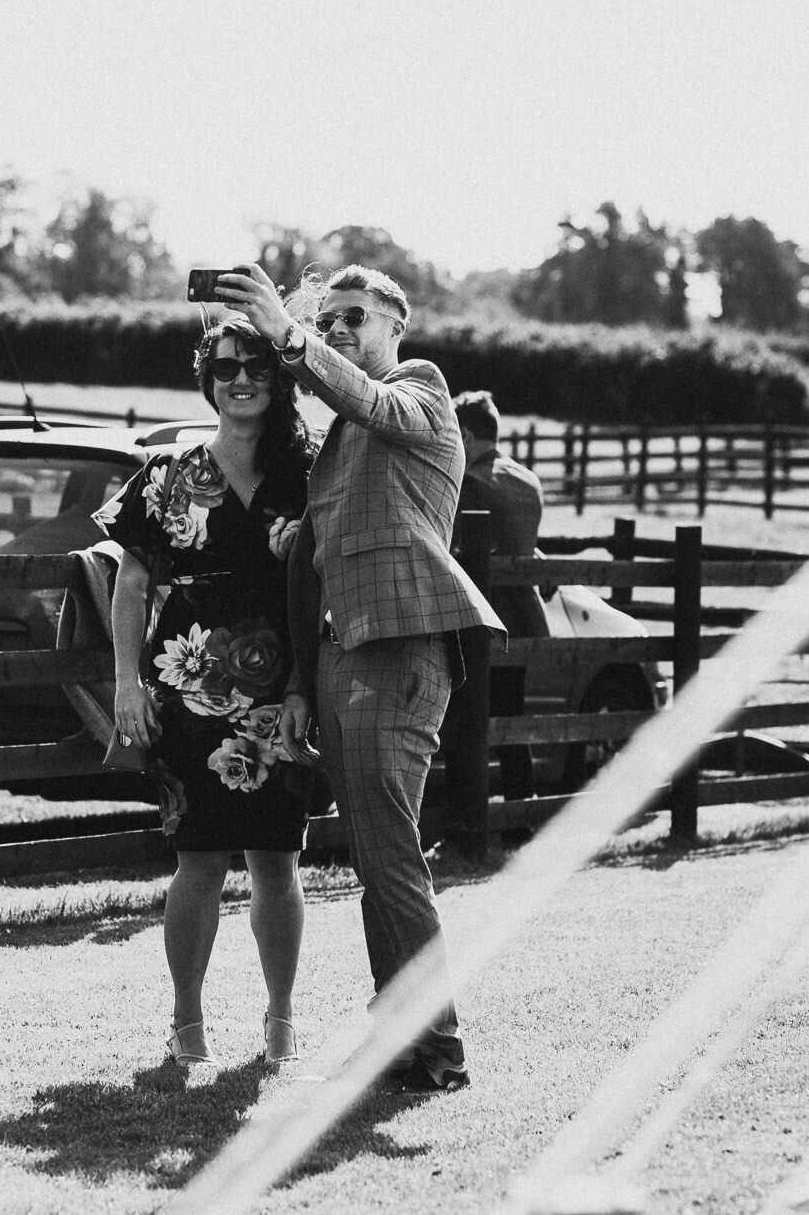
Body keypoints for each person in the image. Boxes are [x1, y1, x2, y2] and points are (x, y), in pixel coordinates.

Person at [219, 263, 504, 1093]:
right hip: (342, 656)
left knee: (391, 855)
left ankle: (437, 1041)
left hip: (403, 649)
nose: (340, 328)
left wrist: (289, 332)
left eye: (354, 316)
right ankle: (401, 1031)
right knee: (378, 855)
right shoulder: (341, 439)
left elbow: (369, 400)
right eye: (330, 317)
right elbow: (320, 553)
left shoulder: (421, 390)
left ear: (394, 324)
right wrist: (304, 676)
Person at [95, 319, 317, 1067]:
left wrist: (301, 685)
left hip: (284, 690)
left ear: (277, 375)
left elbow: (325, 587)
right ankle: (187, 1022)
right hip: (185, 681)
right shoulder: (165, 473)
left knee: (277, 859)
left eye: (255, 364)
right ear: (207, 379)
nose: (240, 377)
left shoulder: (312, 470)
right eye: (224, 367)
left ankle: (281, 1018)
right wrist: (126, 680)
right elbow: (130, 581)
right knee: (199, 857)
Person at [453, 389, 548, 639]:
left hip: (488, 624)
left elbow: (452, 548)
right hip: (531, 619)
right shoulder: (529, 480)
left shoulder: (471, 484)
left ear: (464, 436)